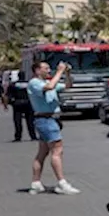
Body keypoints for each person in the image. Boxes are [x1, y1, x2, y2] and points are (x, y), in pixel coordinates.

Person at [27, 61, 79, 194]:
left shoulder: (49, 82)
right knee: (57, 151)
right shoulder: (34, 83)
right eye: (46, 68)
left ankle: (36, 182)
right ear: (37, 71)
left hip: (51, 119)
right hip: (45, 119)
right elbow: (50, 86)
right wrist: (59, 71)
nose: (49, 70)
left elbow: (68, 85)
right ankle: (61, 183)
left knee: (42, 152)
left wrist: (67, 73)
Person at [9, 72, 36, 142]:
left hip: (17, 104)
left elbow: (9, 95)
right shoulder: (29, 84)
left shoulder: (13, 84)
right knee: (30, 121)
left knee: (17, 121)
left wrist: (11, 103)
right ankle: (33, 136)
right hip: (28, 103)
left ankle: (18, 137)